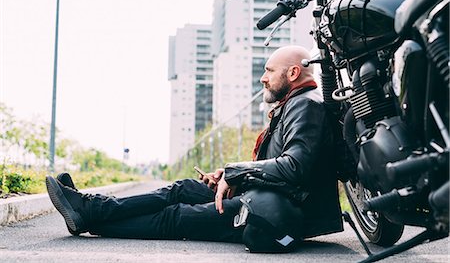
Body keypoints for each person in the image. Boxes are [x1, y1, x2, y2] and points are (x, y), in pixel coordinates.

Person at [46, 45, 343, 252]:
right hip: (265, 195)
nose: (263, 77)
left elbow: (296, 167)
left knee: (175, 216)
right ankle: (93, 207)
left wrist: (235, 173)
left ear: (292, 73)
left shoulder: (306, 106)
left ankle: (91, 217)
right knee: (180, 189)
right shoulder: (293, 104)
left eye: (269, 70)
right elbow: (278, 164)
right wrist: (229, 177)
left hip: (279, 213)